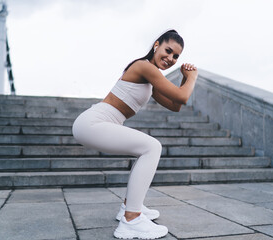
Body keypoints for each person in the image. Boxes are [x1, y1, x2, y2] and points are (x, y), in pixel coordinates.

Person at [72, 29, 198, 239]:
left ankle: (130, 206)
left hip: (97, 123)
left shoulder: (150, 78)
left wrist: (184, 79)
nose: (171, 58)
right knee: (152, 147)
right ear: (156, 45)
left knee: (147, 149)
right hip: (93, 122)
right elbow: (183, 97)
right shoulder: (144, 67)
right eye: (168, 51)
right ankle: (131, 220)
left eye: (176, 56)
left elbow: (175, 105)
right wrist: (192, 77)